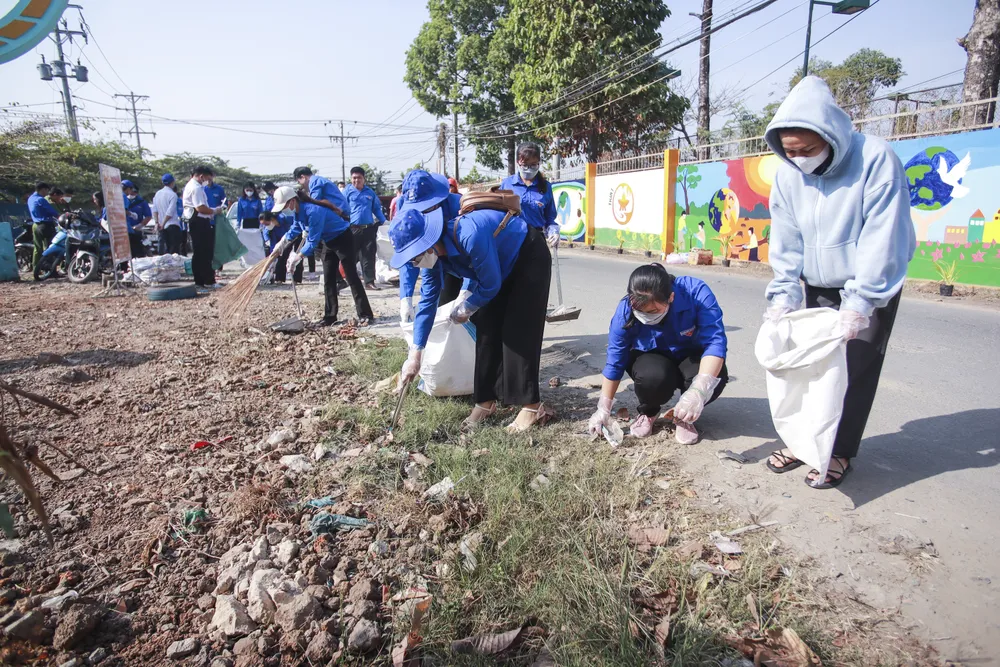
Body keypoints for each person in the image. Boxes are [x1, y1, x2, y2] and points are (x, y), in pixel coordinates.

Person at [762, 76, 916, 489]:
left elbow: (884, 238)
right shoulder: (788, 175)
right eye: (789, 152)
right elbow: (786, 240)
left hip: (870, 286)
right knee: (809, 366)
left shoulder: (876, 160)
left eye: (807, 150)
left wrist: (861, 303)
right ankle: (802, 442)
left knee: (853, 369)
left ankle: (839, 450)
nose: (799, 160)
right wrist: (783, 295)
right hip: (818, 284)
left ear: (830, 135)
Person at [389, 170, 553, 432]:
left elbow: (490, 284)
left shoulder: (468, 231)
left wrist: (466, 304)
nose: (415, 263)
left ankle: (530, 407)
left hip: (527, 257)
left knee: (518, 331)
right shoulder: (433, 258)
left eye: (415, 257)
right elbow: (428, 300)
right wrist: (415, 354)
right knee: (487, 329)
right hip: (498, 264)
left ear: (428, 245)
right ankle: (485, 402)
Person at [588, 264, 728, 445]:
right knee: (652, 377)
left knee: (715, 378)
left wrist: (699, 389)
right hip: (652, 359)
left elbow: (715, 342)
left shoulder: (696, 293)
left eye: (653, 311)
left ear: (671, 297)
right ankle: (649, 412)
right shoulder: (625, 311)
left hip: (691, 355)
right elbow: (615, 360)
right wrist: (603, 408)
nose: (646, 316)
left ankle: (684, 415)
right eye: (640, 311)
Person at [270, 186, 373, 325]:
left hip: (343, 238)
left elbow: (313, 240)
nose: (284, 211)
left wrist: (297, 257)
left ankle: (365, 314)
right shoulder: (297, 213)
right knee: (328, 278)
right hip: (329, 241)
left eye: (284, 206)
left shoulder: (313, 211)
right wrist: (281, 245)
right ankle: (330, 317)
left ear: (293, 201)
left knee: (351, 276)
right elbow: (294, 229)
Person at [396, 177, 464, 322]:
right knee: (437, 305)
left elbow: (475, 256)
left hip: (460, 258)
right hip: (431, 255)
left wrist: (467, 291)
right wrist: (406, 297)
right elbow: (409, 253)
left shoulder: (456, 205)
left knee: (468, 308)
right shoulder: (404, 206)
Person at [501, 142, 560, 249]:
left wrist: (553, 230)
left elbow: (550, 217)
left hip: (536, 241)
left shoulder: (546, 187)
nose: (529, 168)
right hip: (511, 241)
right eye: (525, 165)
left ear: (539, 163)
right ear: (517, 162)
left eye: (533, 164)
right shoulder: (507, 184)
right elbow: (498, 213)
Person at [294, 166, 348, 274]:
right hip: (336, 216)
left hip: (337, 218)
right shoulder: (319, 180)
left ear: (302, 177)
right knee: (327, 258)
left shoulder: (314, 182)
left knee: (329, 256)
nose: (302, 186)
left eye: (299, 182)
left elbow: (315, 205)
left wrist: (309, 227)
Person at [343, 166, 387, 290]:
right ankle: (349, 281)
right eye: (354, 178)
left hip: (368, 229)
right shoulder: (347, 192)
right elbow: (340, 209)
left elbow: (376, 209)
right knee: (350, 256)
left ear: (364, 179)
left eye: (359, 178)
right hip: (352, 229)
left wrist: (385, 222)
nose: (356, 180)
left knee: (369, 255)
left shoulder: (370, 193)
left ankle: (369, 282)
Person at [183, 166, 226, 289]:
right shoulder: (196, 188)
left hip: (200, 221)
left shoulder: (194, 186)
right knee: (202, 252)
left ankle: (207, 279)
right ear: (201, 176)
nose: (208, 181)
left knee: (205, 252)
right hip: (199, 221)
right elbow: (200, 208)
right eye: (207, 178)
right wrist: (214, 211)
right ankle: (201, 281)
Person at [29, 182, 62, 274]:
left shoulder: (30, 199)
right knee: (50, 248)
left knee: (37, 248)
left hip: (35, 225)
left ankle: (36, 268)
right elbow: (52, 212)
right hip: (45, 225)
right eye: (46, 190)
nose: (47, 193)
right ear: (42, 189)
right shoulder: (41, 200)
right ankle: (50, 270)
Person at [261, 211, 296, 283]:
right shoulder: (269, 228)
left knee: (283, 258)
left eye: (267, 223)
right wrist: (268, 242)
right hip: (276, 241)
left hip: (289, 239)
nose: (266, 226)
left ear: (272, 219)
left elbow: (294, 227)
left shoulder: (285, 219)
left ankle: (280, 279)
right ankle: (272, 278)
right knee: (274, 259)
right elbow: (266, 234)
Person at [236, 182, 265, 266]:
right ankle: (246, 259)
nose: (249, 192)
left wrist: (261, 223)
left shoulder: (257, 200)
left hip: (255, 222)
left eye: (250, 190)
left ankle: (257, 257)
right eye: (247, 190)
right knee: (246, 241)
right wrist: (238, 223)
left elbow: (260, 212)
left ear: (253, 190)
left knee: (255, 241)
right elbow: (239, 212)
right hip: (246, 222)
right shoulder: (241, 200)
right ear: (244, 190)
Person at [153, 173, 182, 254]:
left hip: (161, 226)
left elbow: (154, 209)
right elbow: (170, 212)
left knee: (163, 251)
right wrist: (163, 223)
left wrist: (156, 222)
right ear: (172, 182)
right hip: (171, 225)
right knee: (174, 253)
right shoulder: (173, 194)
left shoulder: (158, 193)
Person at [122, 180, 152, 259]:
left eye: (134, 192)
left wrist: (140, 225)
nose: (131, 193)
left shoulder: (141, 202)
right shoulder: (123, 198)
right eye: (131, 191)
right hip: (124, 229)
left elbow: (148, 216)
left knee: (137, 252)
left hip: (136, 230)